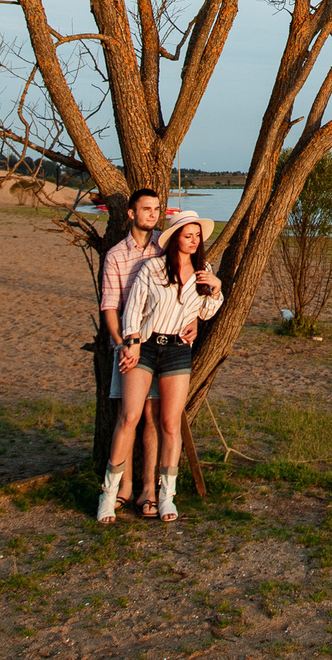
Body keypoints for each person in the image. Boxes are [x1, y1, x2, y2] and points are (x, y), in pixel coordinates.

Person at [97, 214, 223, 521]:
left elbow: (204, 313)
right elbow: (134, 308)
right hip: (147, 345)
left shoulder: (203, 271)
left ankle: (167, 495)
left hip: (178, 350)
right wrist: (133, 339)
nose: (193, 241)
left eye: (197, 236)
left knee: (169, 423)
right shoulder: (152, 268)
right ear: (175, 238)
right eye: (187, 235)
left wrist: (216, 290)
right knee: (129, 417)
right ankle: (109, 493)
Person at [95, 187, 176, 507]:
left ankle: (148, 489)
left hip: (161, 342)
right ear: (131, 213)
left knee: (153, 416)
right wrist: (122, 346)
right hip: (128, 346)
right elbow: (110, 306)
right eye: (146, 209)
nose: (153, 214)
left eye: (157, 209)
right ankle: (123, 487)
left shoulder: (164, 247)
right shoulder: (116, 255)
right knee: (126, 417)